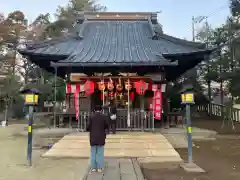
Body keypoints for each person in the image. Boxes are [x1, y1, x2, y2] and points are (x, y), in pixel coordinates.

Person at [86, 106, 109, 173]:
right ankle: (99, 168)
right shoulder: (104, 116)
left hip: (93, 137)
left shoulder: (91, 117)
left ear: (94, 110)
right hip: (101, 137)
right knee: (100, 153)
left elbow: (88, 127)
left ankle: (93, 167)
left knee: (93, 153)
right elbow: (106, 126)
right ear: (101, 110)